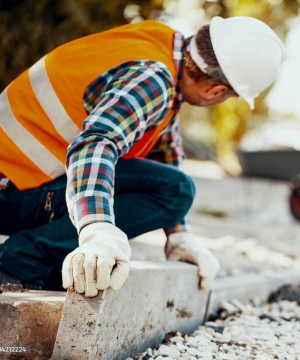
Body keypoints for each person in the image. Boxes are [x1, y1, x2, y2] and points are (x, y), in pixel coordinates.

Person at [0, 16, 284, 296]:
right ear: (217, 90)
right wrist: (96, 229)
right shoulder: (154, 79)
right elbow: (95, 144)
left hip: (18, 181)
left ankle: (40, 260)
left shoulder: (160, 48)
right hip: (10, 189)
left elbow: (167, 153)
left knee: (175, 186)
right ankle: (20, 260)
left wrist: (179, 237)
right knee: (177, 190)